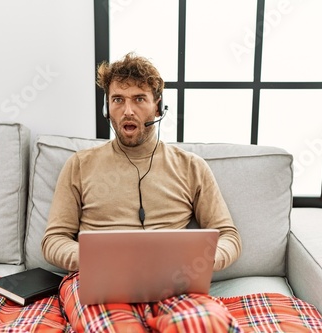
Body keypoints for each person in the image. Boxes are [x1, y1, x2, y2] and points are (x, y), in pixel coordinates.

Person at [42, 52, 242, 332]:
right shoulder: (79, 165)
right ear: (106, 107)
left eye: (139, 99)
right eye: (118, 100)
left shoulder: (191, 166)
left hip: (173, 283)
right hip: (100, 281)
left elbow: (229, 236)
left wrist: (195, 262)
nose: (128, 111)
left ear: (157, 108)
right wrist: (96, 259)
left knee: (203, 324)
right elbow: (54, 240)